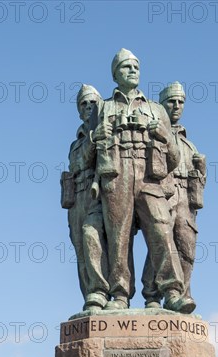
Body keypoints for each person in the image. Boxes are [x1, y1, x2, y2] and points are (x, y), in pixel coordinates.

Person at [90, 49, 194, 313]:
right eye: (125, 67)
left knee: (161, 229)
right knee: (118, 237)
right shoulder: (103, 107)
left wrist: (162, 133)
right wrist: (97, 137)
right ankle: (120, 295)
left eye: (136, 66)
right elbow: (87, 155)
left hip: (149, 176)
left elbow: (174, 156)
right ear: (115, 74)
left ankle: (171, 291)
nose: (132, 70)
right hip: (116, 174)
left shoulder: (156, 109)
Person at [142, 82, 206, 311]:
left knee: (186, 248)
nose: (177, 106)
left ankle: (182, 296)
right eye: (172, 101)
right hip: (163, 192)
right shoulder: (153, 133)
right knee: (160, 243)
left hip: (186, 200)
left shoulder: (189, 145)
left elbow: (199, 182)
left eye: (181, 101)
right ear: (161, 104)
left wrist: (201, 172)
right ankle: (152, 294)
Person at [62, 84, 110, 313]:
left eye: (93, 102)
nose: (89, 107)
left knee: (93, 238)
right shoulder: (77, 142)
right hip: (77, 199)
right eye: (84, 103)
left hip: (99, 195)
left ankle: (102, 291)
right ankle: (91, 297)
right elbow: (78, 163)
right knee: (81, 250)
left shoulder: (108, 130)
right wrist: (92, 141)